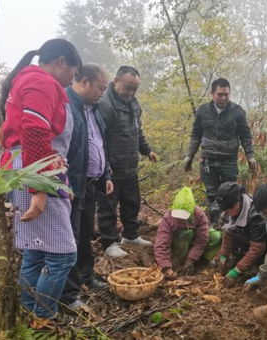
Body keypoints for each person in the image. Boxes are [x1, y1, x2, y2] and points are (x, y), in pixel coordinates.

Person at [0, 39, 82, 321]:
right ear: (61, 62)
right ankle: (44, 318)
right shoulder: (41, 82)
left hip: (29, 167)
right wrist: (40, 188)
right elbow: (34, 131)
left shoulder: (29, 81)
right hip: (33, 168)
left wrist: (60, 182)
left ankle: (27, 314)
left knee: (36, 250)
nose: (73, 79)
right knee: (62, 256)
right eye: (73, 71)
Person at [60, 64, 113, 310]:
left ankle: (86, 276)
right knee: (69, 239)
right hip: (72, 186)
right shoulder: (67, 106)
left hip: (90, 185)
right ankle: (68, 295)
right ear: (85, 82)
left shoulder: (92, 110)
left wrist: (106, 175)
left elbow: (99, 146)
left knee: (84, 236)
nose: (103, 92)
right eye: (100, 87)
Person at [97, 66, 157, 258]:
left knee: (132, 202)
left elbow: (137, 131)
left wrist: (146, 150)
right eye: (127, 87)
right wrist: (104, 167)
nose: (130, 92)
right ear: (116, 81)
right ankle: (109, 242)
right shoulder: (105, 104)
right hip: (111, 167)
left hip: (130, 164)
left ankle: (130, 235)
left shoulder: (133, 103)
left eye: (134, 89)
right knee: (108, 207)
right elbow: (99, 138)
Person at [183, 78, 257, 224]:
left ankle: (231, 224)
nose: (223, 98)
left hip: (229, 160)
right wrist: (189, 156)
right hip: (208, 161)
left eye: (226, 94)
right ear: (212, 94)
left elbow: (245, 136)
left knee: (231, 193)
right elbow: (196, 135)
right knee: (211, 193)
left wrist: (250, 156)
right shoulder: (203, 111)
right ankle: (214, 225)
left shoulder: (238, 112)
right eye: (220, 94)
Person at [154, 187, 221, 279]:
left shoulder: (199, 214)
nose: (180, 218)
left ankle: (203, 261)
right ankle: (179, 261)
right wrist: (166, 267)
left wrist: (191, 260)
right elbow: (162, 243)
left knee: (216, 236)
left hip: (193, 243)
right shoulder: (169, 217)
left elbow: (202, 240)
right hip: (178, 243)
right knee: (186, 234)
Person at [213, 182, 267, 287]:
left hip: (263, 244)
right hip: (245, 239)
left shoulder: (255, 215)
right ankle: (238, 257)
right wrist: (224, 255)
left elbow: (257, 248)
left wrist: (237, 270)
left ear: (237, 203)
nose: (225, 212)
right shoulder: (229, 211)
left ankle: (257, 264)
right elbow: (228, 232)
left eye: (227, 209)